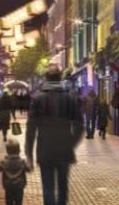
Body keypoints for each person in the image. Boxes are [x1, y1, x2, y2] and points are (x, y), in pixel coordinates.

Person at [25, 64, 83, 205]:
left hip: (45, 150)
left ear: (46, 78)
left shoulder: (37, 99)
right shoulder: (69, 99)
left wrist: (29, 155)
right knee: (63, 188)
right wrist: (71, 143)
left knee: (48, 188)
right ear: (59, 78)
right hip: (64, 150)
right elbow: (80, 125)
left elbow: (31, 128)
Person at [0, 138, 30, 205]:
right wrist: (28, 159)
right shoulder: (22, 162)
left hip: (8, 186)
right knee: (19, 202)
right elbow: (28, 169)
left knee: (9, 201)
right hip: (19, 186)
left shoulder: (4, 162)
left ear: (7, 151)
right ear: (18, 150)